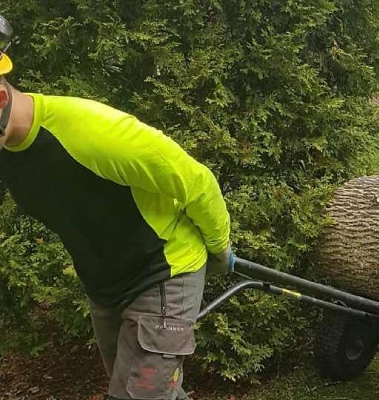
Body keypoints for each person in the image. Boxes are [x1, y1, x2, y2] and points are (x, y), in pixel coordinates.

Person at [0, 15, 233, 399]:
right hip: (106, 289)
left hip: (164, 270)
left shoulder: (91, 131)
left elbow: (195, 180)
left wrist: (220, 247)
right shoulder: (8, 150)